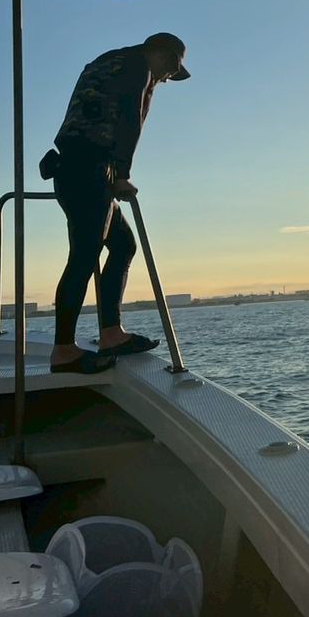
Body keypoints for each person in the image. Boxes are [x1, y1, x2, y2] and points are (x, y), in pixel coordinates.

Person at [40, 33, 190, 374]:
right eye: (170, 70)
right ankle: (63, 351)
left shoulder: (108, 61)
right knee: (84, 256)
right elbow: (129, 119)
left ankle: (111, 333)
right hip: (89, 168)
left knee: (122, 244)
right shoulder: (137, 66)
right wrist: (122, 173)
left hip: (76, 166)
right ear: (163, 56)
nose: (166, 79)